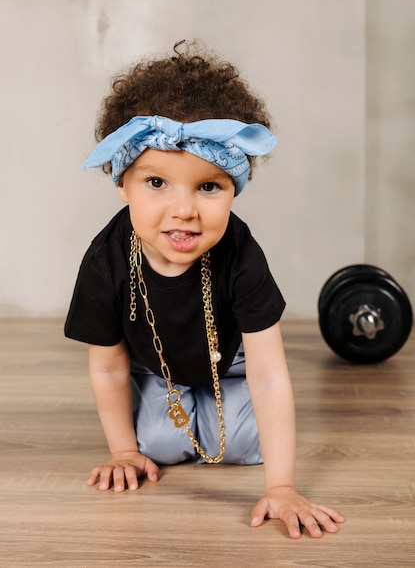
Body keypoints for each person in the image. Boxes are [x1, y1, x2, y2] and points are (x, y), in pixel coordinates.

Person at [65, 40, 344, 539]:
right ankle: (163, 416)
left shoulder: (241, 254)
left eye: (208, 187)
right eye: (156, 183)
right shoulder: (106, 260)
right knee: (156, 444)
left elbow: (269, 376)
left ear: (235, 189)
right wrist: (123, 451)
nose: (184, 209)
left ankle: (215, 417)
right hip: (157, 366)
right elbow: (107, 364)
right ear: (122, 181)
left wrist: (280, 487)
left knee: (240, 446)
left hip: (232, 365)